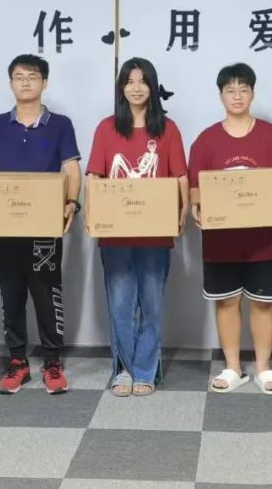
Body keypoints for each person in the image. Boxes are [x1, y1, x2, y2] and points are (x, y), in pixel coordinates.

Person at [188, 63, 272, 395]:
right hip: (221, 240)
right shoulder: (206, 140)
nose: (237, 96)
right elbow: (195, 187)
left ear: (252, 93)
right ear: (220, 95)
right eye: (230, 90)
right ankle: (233, 367)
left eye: (243, 90)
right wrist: (197, 205)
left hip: (263, 239)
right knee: (226, 301)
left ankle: (264, 368)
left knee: (264, 302)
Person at [86, 58, 189, 397]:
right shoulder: (107, 128)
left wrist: (183, 209)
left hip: (155, 234)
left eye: (143, 81)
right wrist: (90, 213)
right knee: (120, 304)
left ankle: (145, 369)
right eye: (130, 81)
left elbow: (180, 176)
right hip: (115, 234)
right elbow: (95, 177)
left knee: (152, 303)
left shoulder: (167, 129)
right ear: (121, 87)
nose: (136, 87)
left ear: (152, 86)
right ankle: (124, 370)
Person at [0, 54, 82, 395]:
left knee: (46, 292)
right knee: (10, 293)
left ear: (45, 83)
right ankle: (17, 361)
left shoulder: (60, 124)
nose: (25, 82)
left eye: (32, 76)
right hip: (6, 227)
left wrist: (71, 203)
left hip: (44, 226)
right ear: (10, 83)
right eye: (19, 76)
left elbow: (72, 170)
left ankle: (52, 361)